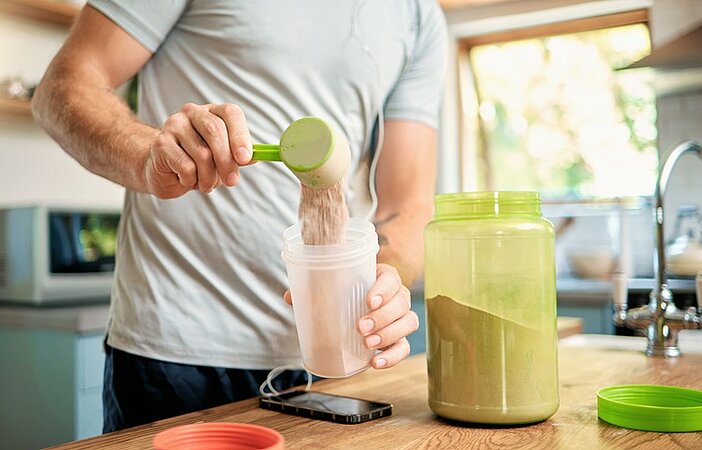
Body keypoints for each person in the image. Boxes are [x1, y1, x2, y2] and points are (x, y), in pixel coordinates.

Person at [33, 0, 447, 433]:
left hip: (329, 366)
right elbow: (62, 87)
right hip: (175, 354)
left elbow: (409, 206)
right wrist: (148, 157)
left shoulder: (417, 16)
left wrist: (385, 284)